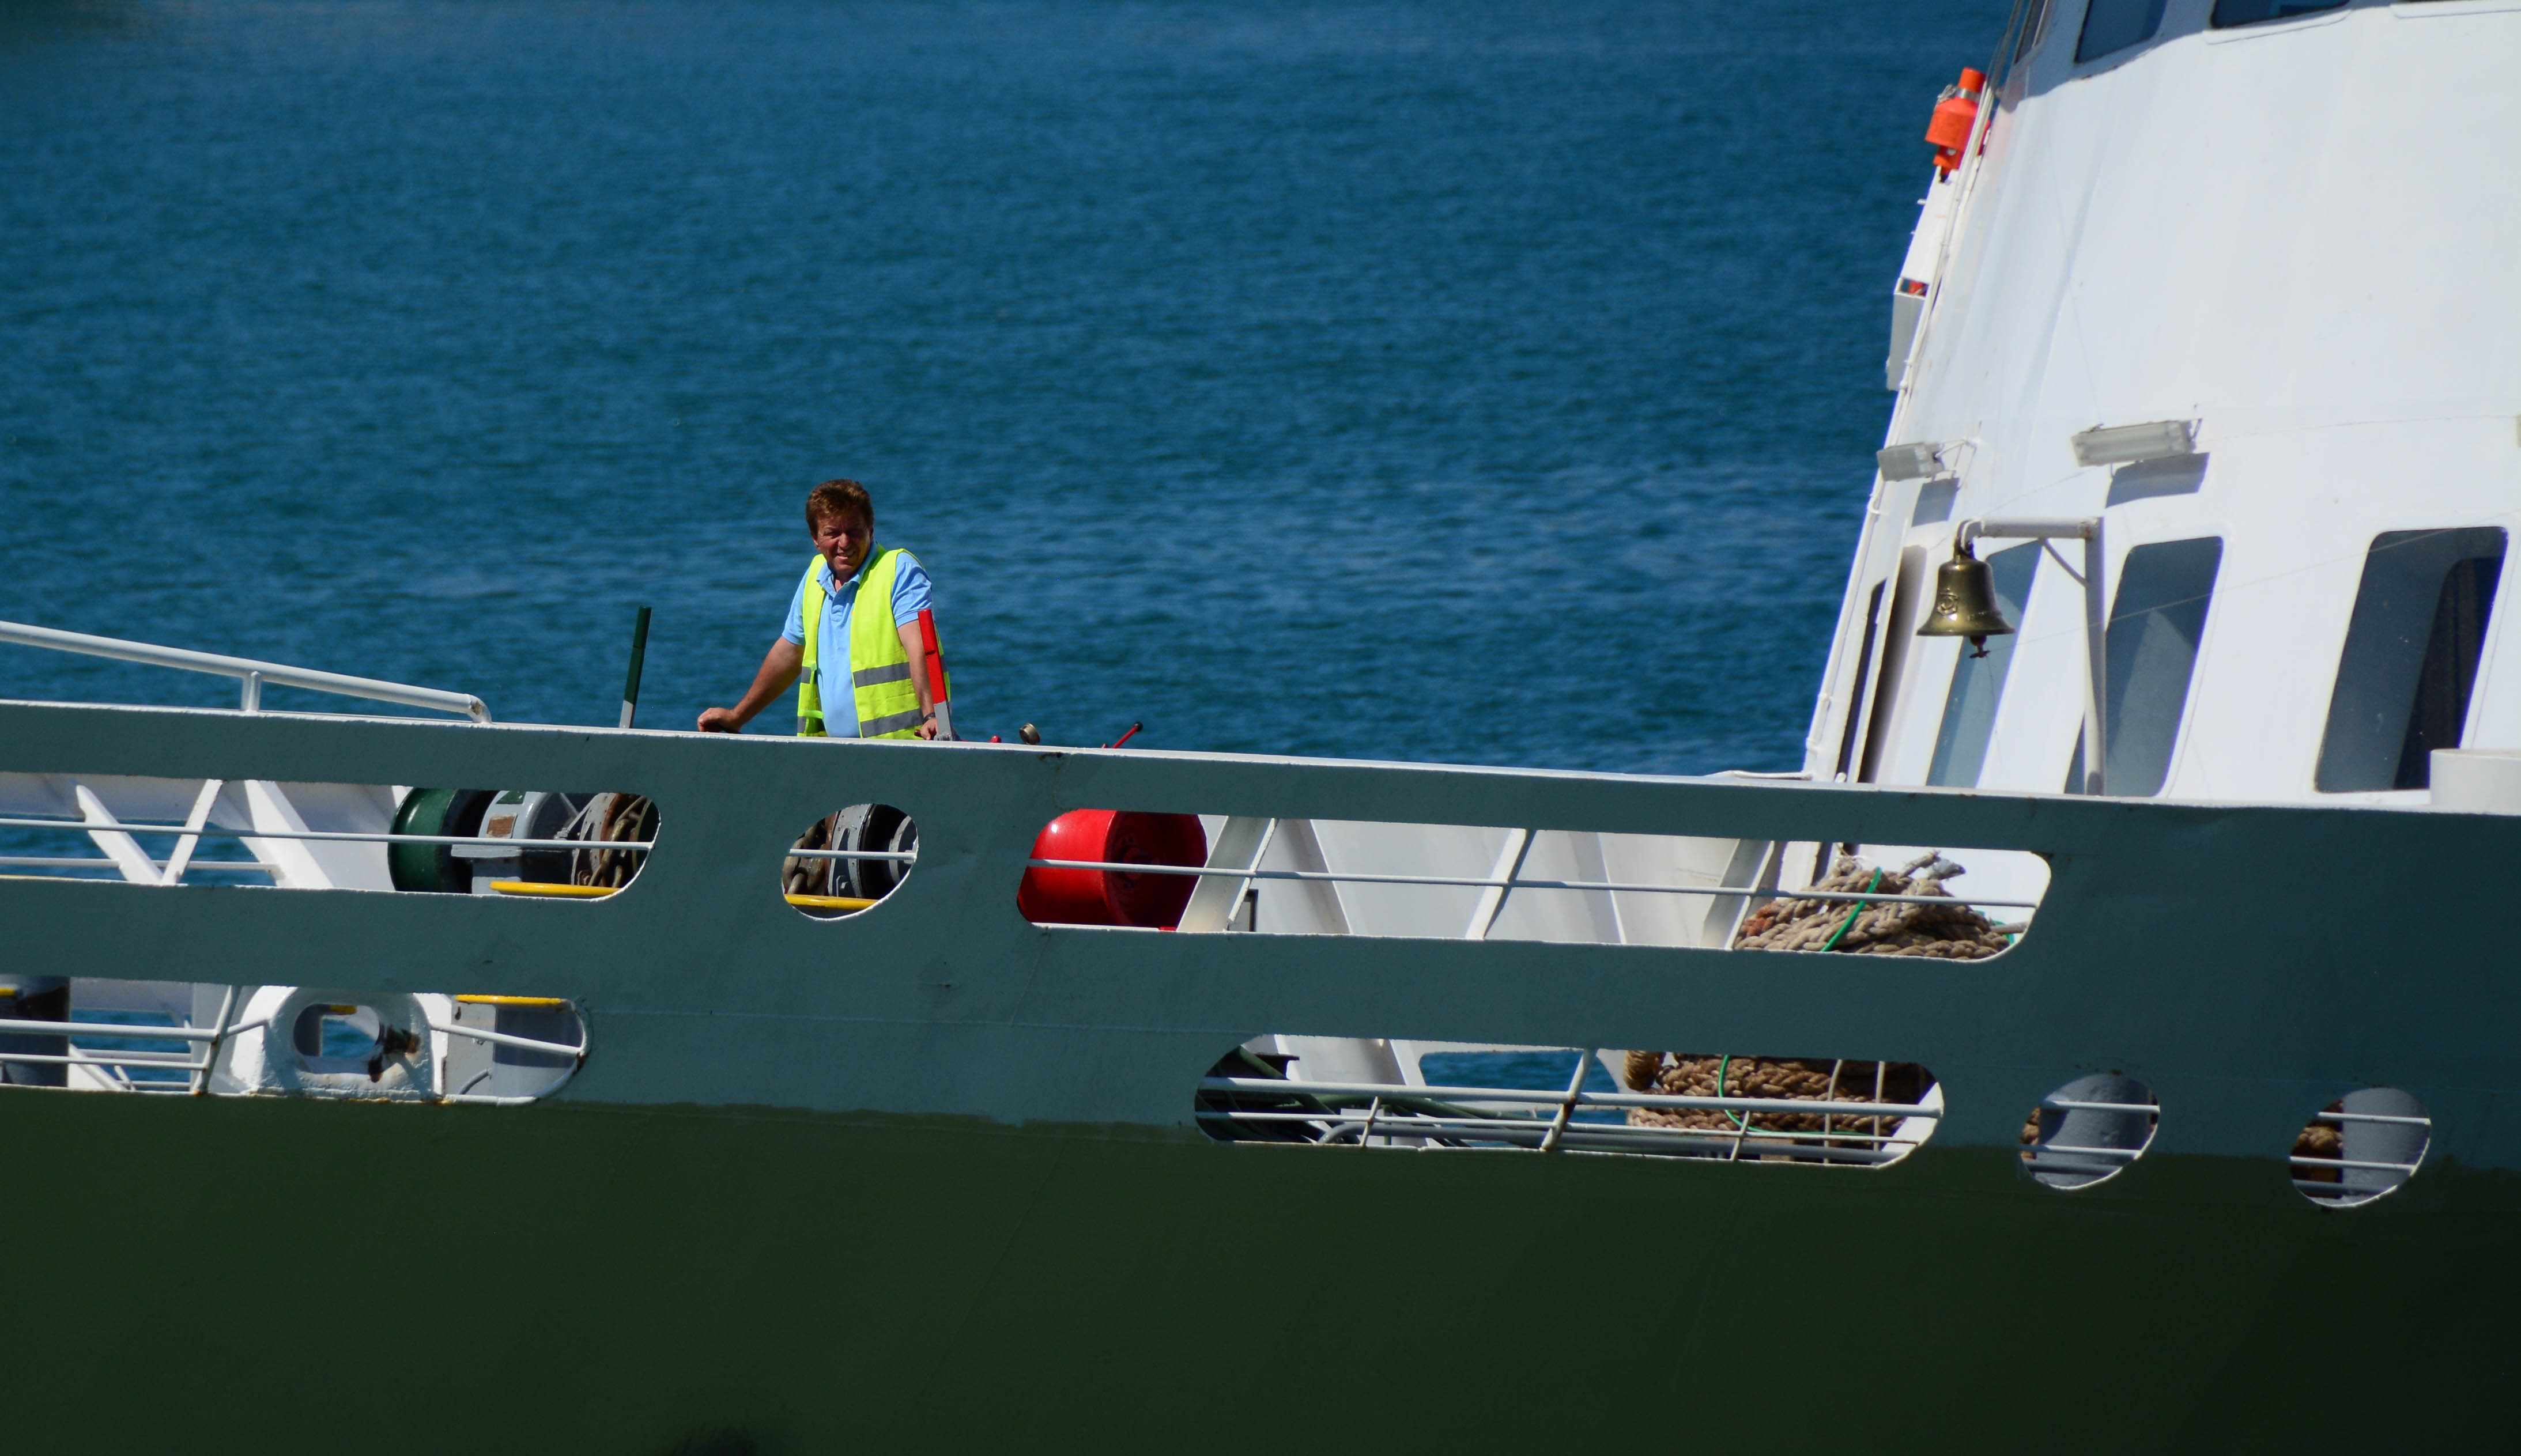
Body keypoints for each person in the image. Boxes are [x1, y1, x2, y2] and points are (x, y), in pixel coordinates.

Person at [698, 478, 945, 739]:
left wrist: (931, 716)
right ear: (815, 539)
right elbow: (789, 653)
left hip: (904, 747)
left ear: (871, 531)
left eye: (854, 531)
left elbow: (919, 646)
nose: (845, 542)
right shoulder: (815, 577)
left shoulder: (898, 570)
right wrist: (738, 717)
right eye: (833, 533)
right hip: (830, 752)